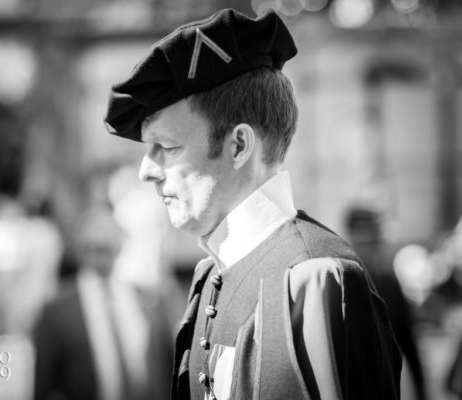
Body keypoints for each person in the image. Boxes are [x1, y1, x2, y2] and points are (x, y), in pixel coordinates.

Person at [104, 8, 402, 400]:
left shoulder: (317, 279)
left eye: (168, 147)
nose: (147, 171)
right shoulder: (208, 276)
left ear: (240, 145)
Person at [32, 206, 173, 400]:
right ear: (78, 247)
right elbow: (44, 387)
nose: (101, 245)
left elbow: (167, 368)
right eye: (94, 245)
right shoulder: (55, 311)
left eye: (107, 242)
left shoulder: (149, 300)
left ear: (121, 244)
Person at [345, 206, 426, 400]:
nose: (370, 244)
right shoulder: (342, 284)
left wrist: (422, 392)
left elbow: (408, 343)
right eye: (363, 236)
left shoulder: (390, 285)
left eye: (373, 236)